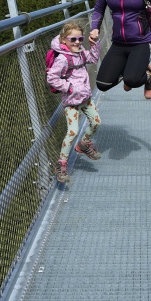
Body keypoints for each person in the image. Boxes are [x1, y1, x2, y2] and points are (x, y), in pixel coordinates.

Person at [47, 20, 102, 184]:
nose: (78, 42)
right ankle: (61, 164)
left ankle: (84, 145)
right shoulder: (63, 59)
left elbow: (92, 58)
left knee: (96, 122)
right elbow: (51, 78)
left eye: (80, 39)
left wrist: (95, 44)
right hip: (71, 101)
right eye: (73, 39)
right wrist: (69, 88)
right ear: (64, 40)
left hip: (85, 98)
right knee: (72, 131)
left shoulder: (81, 52)